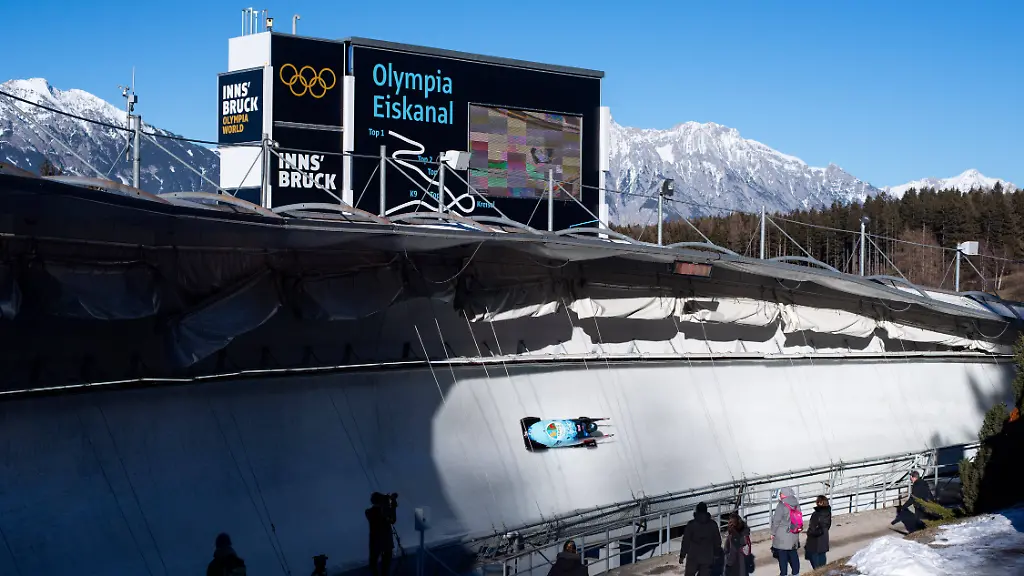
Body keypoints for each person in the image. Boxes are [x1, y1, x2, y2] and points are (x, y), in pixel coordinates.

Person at [678, 502, 723, 576]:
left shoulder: (691, 524)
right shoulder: (713, 524)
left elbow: (686, 541)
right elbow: (717, 541)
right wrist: (716, 554)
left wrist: (682, 556)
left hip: (693, 557)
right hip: (707, 557)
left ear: (697, 511)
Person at [770, 487, 802, 576]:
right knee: (793, 553)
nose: (780, 494)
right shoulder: (796, 503)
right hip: (793, 532)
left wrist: (773, 533)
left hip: (782, 535)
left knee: (782, 556)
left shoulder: (782, 505)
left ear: (785, 494)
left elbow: (776, 521)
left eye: (781, 493)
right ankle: (796, 573)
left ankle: (783, 574)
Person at [366, 492, 398, 576]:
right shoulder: (374, 512)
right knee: (385, 569)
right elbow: (392, 520)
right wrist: (392, 505)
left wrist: (388, 505)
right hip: (386, 544)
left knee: (373, 565)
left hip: (375, 544)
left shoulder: (369, 512)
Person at [804, 495, 831, 570]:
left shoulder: (816, 514)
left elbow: (812, 527)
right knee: (822, 557)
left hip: (815, 540)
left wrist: (809, 533)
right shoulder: (828, 512)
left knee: (815, 562)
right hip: (824, 537)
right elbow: (828, 525)